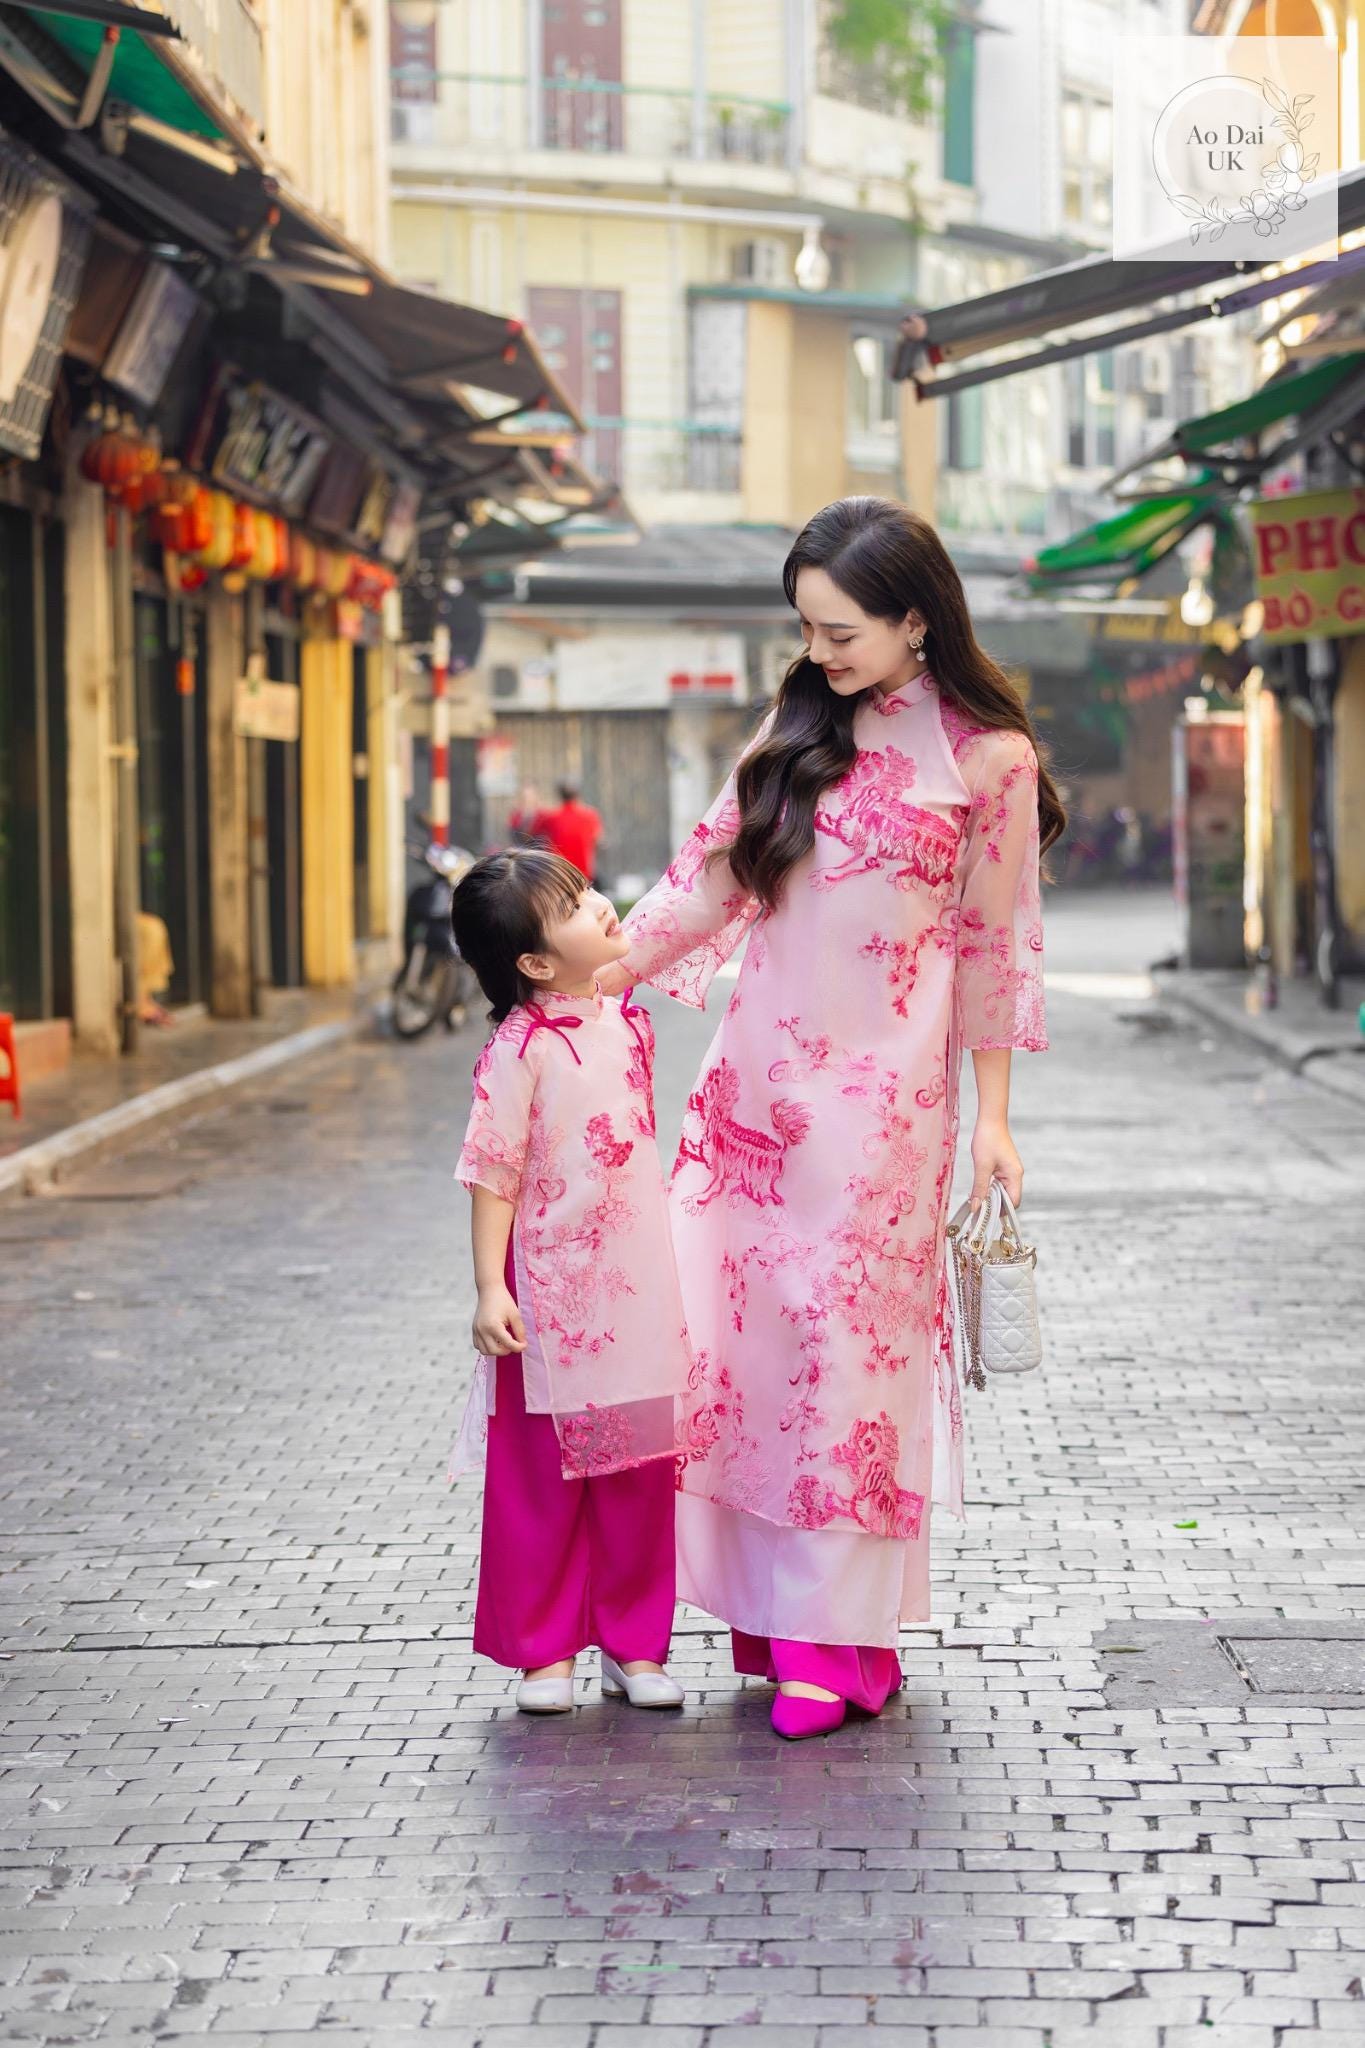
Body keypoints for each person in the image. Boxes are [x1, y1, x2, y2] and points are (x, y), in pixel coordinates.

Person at [597, 497, 1064, 1740]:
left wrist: (996, 1122)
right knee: (743, 1365)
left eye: (842, 628)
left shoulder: (990, 760)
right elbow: (709, 877)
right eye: (805, 628)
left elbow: (994, 949)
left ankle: (836, 1640)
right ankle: (781, 1631)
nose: (820, 653)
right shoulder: (799, 725)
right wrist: (596, 969)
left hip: (882, 1116)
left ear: (918, 619)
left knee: (844, 1366)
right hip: (754, 1103)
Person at [447, 847, 692, 1716]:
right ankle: (543, 1653)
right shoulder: (518, 1050)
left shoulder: (629, 1024)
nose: (599, 905)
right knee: (540, 1477)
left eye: (587, 890)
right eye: (572, 905)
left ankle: (635, 1644)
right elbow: (492, 1169)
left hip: (638, 1283)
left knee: (639, 1470)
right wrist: (489, 1287)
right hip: (548, 1295)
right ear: (534, 964)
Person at [541, 781, 603, 884]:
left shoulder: (551, 817)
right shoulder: (590, 814)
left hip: (560, 870)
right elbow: (597, 840)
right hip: (584, 872)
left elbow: (539, 837)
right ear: (578, 794)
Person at [507, 783, 551, 849]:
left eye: (530, 795)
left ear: (536, 795)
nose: (528, 798)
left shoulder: (543, 813)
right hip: (521, 850)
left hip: (539, 850)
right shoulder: (516, 814)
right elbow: (513, 834)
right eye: (525, 795)